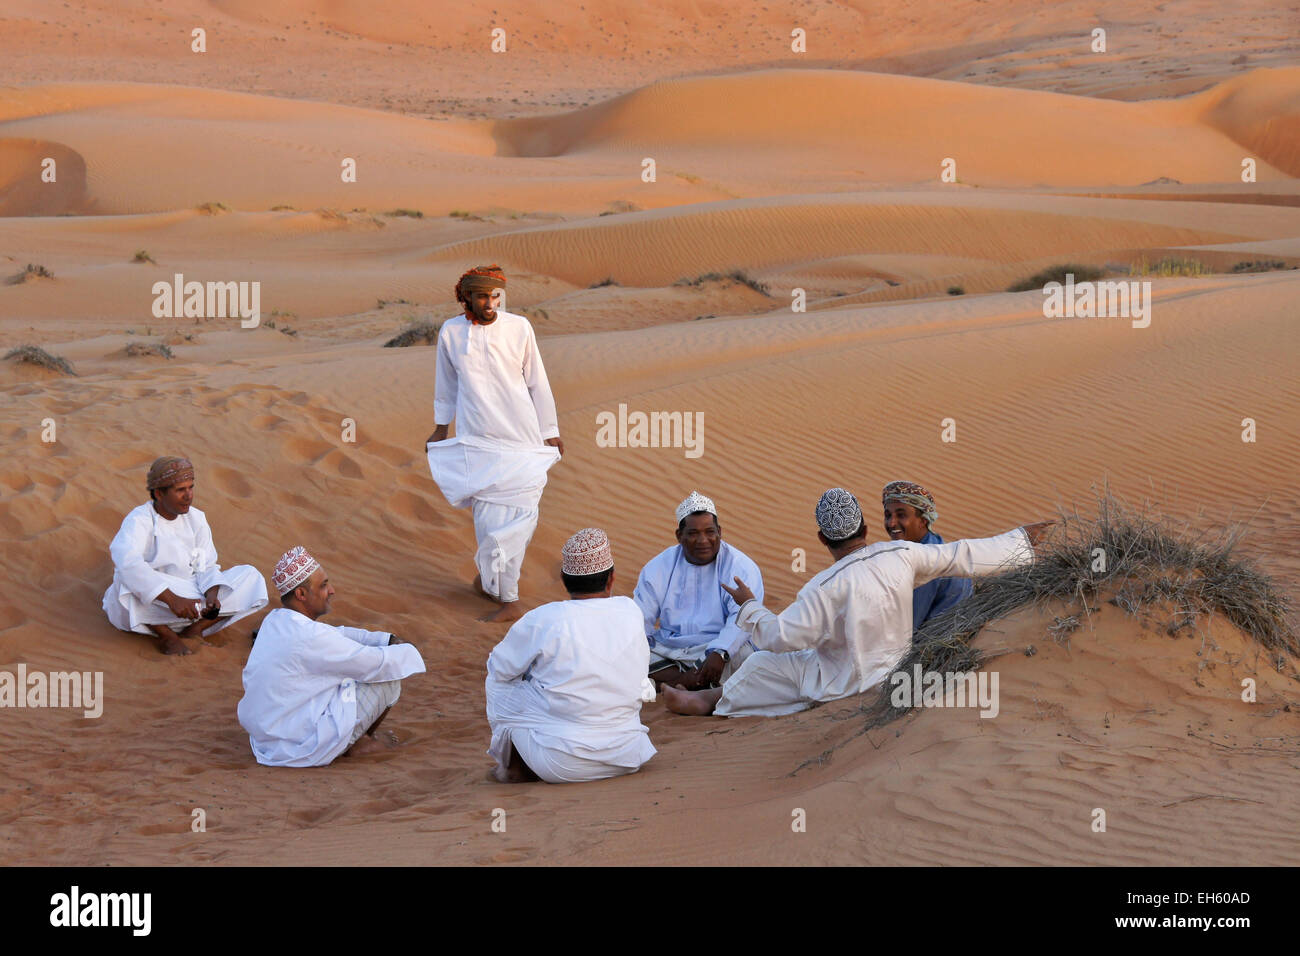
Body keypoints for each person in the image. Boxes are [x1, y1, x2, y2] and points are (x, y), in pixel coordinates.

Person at [661, 488, 1053, 718]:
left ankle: (711, 702)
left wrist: (749, 605)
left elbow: (779, 637)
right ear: (865, 529)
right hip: (895, 669)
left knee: (763, 664)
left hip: (842, 683)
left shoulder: (821, 586)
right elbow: (961, 555)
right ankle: (710, 698)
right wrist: (1020, 541)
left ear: (821, 539)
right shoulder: (900, 554)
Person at [426, 265, 563, 625]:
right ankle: (493, 583)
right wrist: (441, 428)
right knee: (487, 521)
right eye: (483, 297)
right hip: (478, 439)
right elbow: (446, 385)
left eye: (495, 296)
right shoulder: (451, 332)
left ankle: (510, 599)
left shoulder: (519, 327)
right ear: (466, 298)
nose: (490, 304)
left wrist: (549, 429)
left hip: (522, 436)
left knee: (520, 516)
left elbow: (537, 380)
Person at [485, 528, 656, 784]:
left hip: (560, 765)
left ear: (564, 580)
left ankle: (513, 766)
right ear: (611, 579)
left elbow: (500, 668)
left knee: (499, 684)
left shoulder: (544, 619)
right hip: (629, 755)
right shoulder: (630, 610)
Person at [237, 547, 426, 767]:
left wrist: (387, 639)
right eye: (324, 585)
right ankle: (359, 742)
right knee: (388, 678)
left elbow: (338, 633)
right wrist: (407, 649)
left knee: (349, 675)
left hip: (268, 739)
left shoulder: (276, 621)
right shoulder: (310, 636)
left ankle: (353, 737)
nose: (332, 590)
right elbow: (373, 663)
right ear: (301, 594)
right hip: (301, 745)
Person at [102, 456, 267, 655]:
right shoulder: (140, 520)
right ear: (159, 494)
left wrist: (212, 596)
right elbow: (127, 560)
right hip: (156, 601)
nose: (188, 496)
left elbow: (204, 566)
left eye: (191, 488)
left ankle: (194, 630)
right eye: (180, 490)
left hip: (192, 601)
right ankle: (166, 635)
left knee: (251, 577)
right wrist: (172, 600)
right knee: (123, 580)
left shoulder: (197, 519)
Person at [633, 491, 763, 689]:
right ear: (679, 536)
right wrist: (637, 651)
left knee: (748, 656)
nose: (703, 540)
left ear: (719, 531)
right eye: (693, 534)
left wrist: (720, 652)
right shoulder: (658, 567)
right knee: (630, 654)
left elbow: (743, 619)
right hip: (669, 648)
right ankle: (694, 683)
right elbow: (641, 619)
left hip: (718, 649)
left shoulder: (740, 566)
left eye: (709, 532)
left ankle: (672, 684)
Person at [882, 480, 974, 629]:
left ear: (923, 521)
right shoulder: (933, 545)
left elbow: (910, 627)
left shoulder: (928, 560)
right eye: (888, 515)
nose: (892, 523)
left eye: (901, 515)